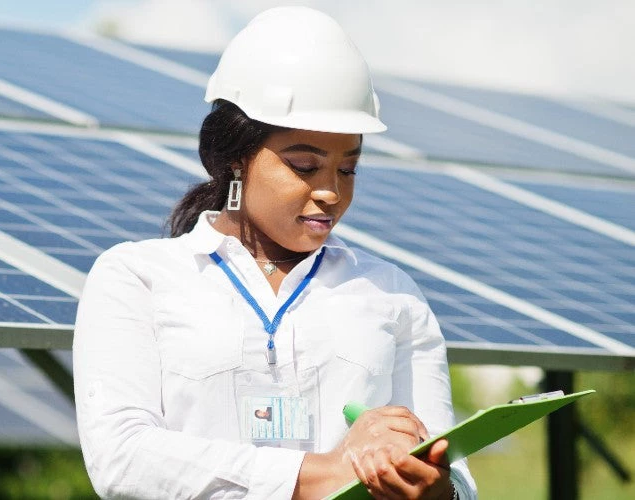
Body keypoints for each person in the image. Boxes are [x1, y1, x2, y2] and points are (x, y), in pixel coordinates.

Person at [73, 6, 478, 499]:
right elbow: (123, 459)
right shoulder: (137, 278)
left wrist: (431, 487)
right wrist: (325, 472)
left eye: (348, 169)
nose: (330, 191)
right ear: (236, 159)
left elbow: (457, 481)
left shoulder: (391, 295)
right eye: (305, 165)